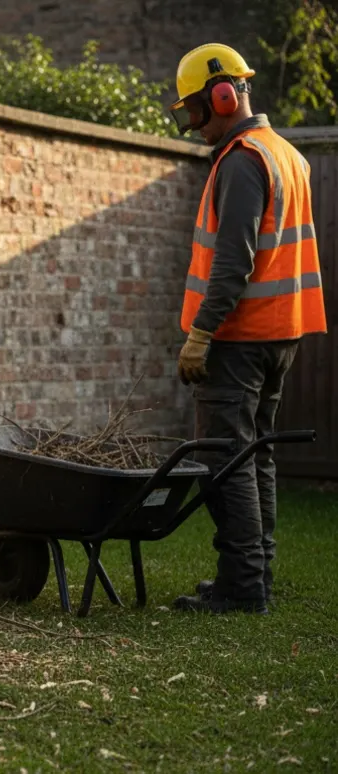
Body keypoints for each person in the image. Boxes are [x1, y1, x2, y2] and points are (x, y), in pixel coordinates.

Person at [167, 44, 327, 614]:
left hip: (238, 338)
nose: (194, 124)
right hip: (280, 336)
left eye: (195, 110)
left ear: (223, 96)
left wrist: (201, 334)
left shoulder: (241, 160)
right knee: (255, 458)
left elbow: (233, 261)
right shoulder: (286, 154)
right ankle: (253, 577)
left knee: (225, 462)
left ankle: (242, 587)